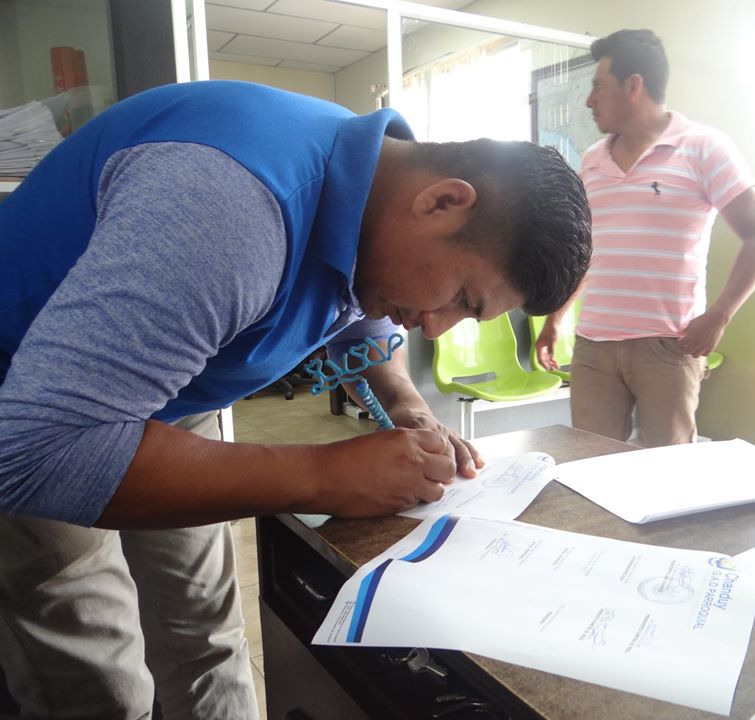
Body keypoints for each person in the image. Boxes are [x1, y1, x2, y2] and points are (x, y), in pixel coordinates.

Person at [0, 80, 591, 719]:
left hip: (174, 389)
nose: (436, 327)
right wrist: (323, 475)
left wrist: (408, 407)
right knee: (99, 671)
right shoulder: (229, 206)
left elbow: (364, 315)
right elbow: (36, 452)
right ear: (443, 201)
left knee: (203, 627)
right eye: (462, 300)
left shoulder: (376, 189)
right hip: (33, 405)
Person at [535, 29, 755, 447]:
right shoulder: (591, 162)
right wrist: (555, 319)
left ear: (634, 86)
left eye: (599, 86)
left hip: (668, 346)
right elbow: (586, 254)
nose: (589, 100)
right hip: (595, 346)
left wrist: (719, 316)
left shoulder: (705, 148)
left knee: (669, 472)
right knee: (590, 469)